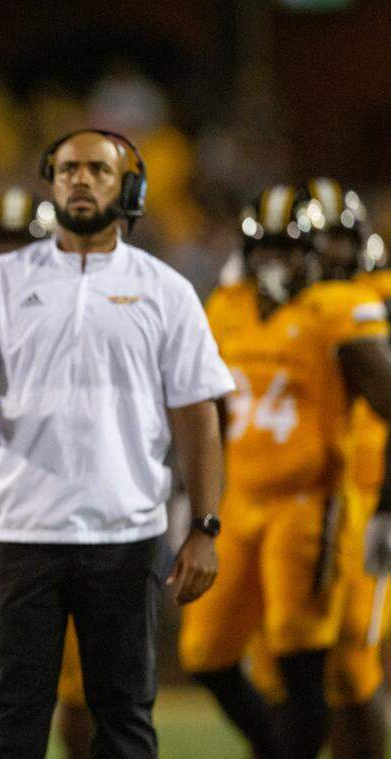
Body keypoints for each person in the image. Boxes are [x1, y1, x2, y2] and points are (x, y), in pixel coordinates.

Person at [0, 129, 233, 758]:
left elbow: (199, 417)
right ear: (51, 184)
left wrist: (206, 526)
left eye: (97, 171)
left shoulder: (166, 290)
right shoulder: (3, 280)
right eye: (68, 170)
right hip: (21, 531)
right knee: (9, 718)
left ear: (127, 185)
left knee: (124, 716)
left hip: (124, 533)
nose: (81, 180)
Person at [179, 184, 391, 759]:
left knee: (308, 661)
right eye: (264, 249)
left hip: (311, 502)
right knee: (205, 651)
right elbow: (204, 413)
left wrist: (386, 506)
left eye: (288, 249)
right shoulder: (225, 309)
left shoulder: (337, 309)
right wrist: (189, 493)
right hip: (239, 500)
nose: (275, 262)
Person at [243, 179, 391, 759]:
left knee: (352, 667)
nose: (328, 252)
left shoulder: (369, 301)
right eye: (317, 239)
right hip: (288, 504)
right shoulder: (273, 307)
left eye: (336, 238)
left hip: (364, 496)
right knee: (280, 670)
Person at [0, 187, 91, 758]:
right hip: (6, 526)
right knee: (5, 689)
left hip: (77, 523)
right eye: (0, 249)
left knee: (90, 691)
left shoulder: (81, 314)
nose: (9, 262)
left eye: (22, 246)